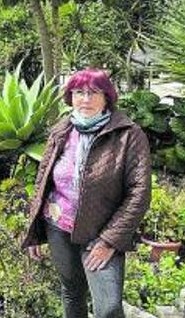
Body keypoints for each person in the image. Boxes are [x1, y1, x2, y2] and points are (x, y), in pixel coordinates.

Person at [22, 68, 151, 318]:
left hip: (101, 232)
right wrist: (33, 231)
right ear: (70, 97)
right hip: (58, 226)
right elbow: (43, 182)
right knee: (71, 292)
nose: (85, 99)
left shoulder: (129, 135)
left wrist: (108, 241)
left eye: (94, 93)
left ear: (107, 98)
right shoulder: (62, 130)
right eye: (79, 92)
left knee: (109, 308)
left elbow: (140, 193)